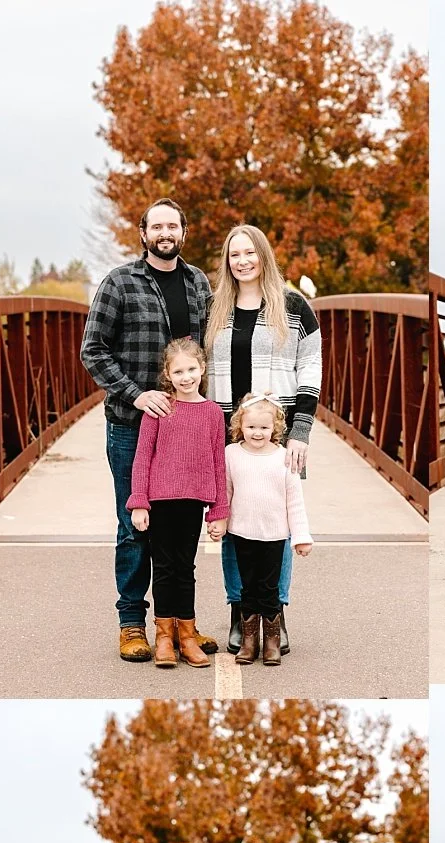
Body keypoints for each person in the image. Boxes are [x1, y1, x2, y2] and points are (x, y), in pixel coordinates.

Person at [80, 197, 214, 663]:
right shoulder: (119, 282)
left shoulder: (199, 282)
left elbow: (211, 350)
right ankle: (132, 623)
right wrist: (136, 394)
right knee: (134, 524)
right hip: (131, 426)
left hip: (185, 432)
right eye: (156, 226)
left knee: (180, 532)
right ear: (143, 233)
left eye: (172, 225)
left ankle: (179, 622)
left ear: (183, 231)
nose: (165, 232)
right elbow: (93, 349)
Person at [205, 223, 319, 655]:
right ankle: (242, 611)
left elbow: (311, 370)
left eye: (250, 252)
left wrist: (301, 432)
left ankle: (274, 613)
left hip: (278, 432)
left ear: (263, 255)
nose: (243, 261)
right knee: (233, 521)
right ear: (227, 260)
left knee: (278, 523)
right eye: (235, 254)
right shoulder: (214, 308)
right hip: (225, 433)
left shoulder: (293, 307)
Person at [126, 339, 228, 669]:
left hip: (192, 501)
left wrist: (218, 511)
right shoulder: (159, 409)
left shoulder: (212, 412)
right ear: (168, 375)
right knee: (165, 568)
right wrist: (139, 501)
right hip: (160, 500)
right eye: (179, 371)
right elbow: (142, 458)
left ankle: (187, 636)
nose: (186, 377)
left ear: (203, 369)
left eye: (192, 369)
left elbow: (217, 462)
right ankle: (164, 637)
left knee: (186, 569)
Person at [224, 395, 312, 664]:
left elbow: (294, 502)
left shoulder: (284, 458)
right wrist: (219, 522)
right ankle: (249, 642)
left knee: (269, 588)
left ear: (276, 428)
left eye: (264, 427)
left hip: (274, 536)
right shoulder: (232, 454)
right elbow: (226, 491)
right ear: (240, 425)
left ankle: (271, 641)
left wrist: (300, 536)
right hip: (242, 532)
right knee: (247, 588)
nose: (257, 433)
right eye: (251, 427)